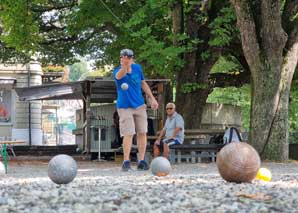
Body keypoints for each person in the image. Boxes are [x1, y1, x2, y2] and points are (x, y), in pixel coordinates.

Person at [113, 48, 159, 171]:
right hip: (124, 106)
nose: (127, 59)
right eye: (124, 57)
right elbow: (119, 76)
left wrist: (152, 98)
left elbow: (143, 83)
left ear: (132, 58)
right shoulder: (117, 70)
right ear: (121, 58)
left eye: (129, 57)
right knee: (128, 133)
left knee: (142, 132)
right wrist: (125, 67)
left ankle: (141, 161)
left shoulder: (138, 68)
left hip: (139, 105)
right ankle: (126, 162)